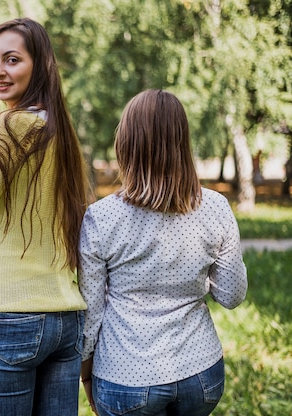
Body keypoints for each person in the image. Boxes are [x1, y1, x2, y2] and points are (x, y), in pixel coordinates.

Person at [0, 18, 92, 416]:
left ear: (40, 64)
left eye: (12, 60)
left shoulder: (8, 127)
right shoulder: (61, 131)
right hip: (64, 319)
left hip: (4, 315)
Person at [79, 89, 248, 416]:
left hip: (125, 377)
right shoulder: (215, 207)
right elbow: (232, 295)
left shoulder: (101, 218)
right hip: (201, 375)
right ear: (181, 142)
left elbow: (90, 316)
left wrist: (86, 376)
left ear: (126, 144)